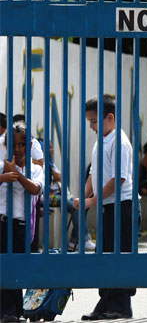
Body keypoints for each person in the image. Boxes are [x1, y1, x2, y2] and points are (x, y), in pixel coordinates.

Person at [74, 94, 137, 320]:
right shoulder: (102, 140)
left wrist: (92, 200)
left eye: (93, 121)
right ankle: (107, 302)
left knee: (118, 255)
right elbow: (94, 173)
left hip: (123, 206)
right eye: (89, 121)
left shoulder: (119, 142)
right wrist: (84, 196)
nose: (91, 126)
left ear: (110, 117)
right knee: (106, 253)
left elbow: (118, 180)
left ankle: (120, 304)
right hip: (110, 207)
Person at [0, 122, 44, 323]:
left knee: (17, 268)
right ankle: (7, 311)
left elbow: (35, 189)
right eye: (13, 145)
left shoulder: (35, 168)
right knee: (5, 267)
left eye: (22, 145)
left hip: (21, 225)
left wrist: (16, 175)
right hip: (2, 222)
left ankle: (17, 310)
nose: (17, 150)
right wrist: (3, 176)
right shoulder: (2, 165)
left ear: (29, 145)